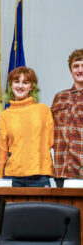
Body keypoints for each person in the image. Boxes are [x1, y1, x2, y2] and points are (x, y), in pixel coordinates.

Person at [0, 66, 54, 187]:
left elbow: (51, 142)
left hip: (40, 176)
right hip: (12, 177)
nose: (20, 86)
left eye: (25, 82)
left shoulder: (44, 111)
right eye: (16, 82)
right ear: (11, 85)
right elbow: (1, 151)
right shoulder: (4, 116)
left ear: (31, 86)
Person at [51, 49, 83, 185]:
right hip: (63, 168)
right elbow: (44, 124)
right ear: (71, 70)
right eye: (76, 66)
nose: (80, 70)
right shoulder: (59, 97)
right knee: (64, 207)